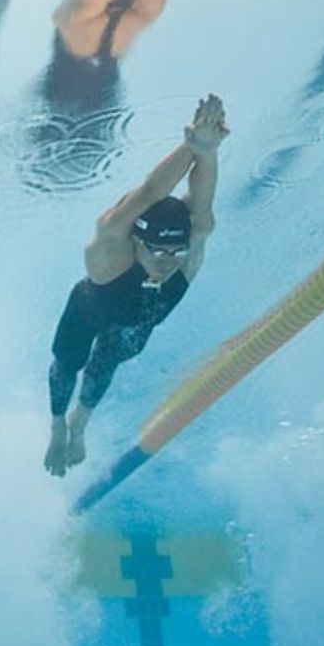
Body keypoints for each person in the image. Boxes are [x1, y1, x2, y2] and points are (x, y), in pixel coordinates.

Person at [43, 94, 228, 477]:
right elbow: (148, 194)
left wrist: (208, 152)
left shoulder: (188, 250)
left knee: (104, 364)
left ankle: (81, 423)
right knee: (68, 364)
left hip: (137, 323)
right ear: (136, 241)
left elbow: (202, 208)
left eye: (174, 252)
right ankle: (58, 426)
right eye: (156, 250)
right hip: (89, 309)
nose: (166, 262)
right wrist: (192, 147)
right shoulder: (111, 249)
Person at [25, 0, 182, 189]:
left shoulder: (76, 13)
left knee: (43, 172)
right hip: (101, 104)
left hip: (62, 105)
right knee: (87, 167)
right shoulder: (139, 17)